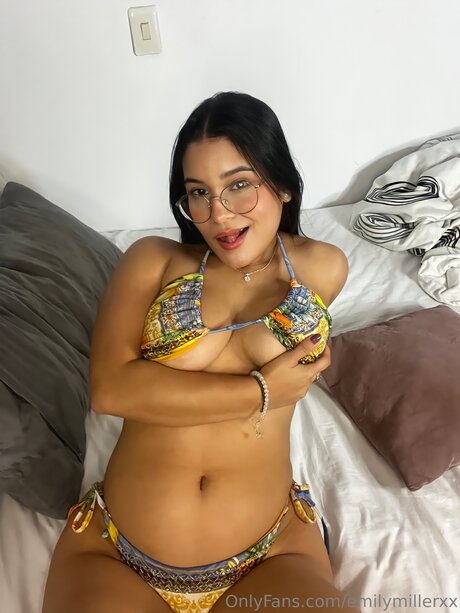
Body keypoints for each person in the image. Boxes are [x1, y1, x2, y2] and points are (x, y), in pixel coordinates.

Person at [42, 92, 357, 613]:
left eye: (239, 185)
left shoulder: (323, 267)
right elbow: (111, 390)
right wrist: (261, 392)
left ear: (281, 183)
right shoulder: (153, 259)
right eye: (198, 193)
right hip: (116, 554)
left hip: (270, 552)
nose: (219, 214)